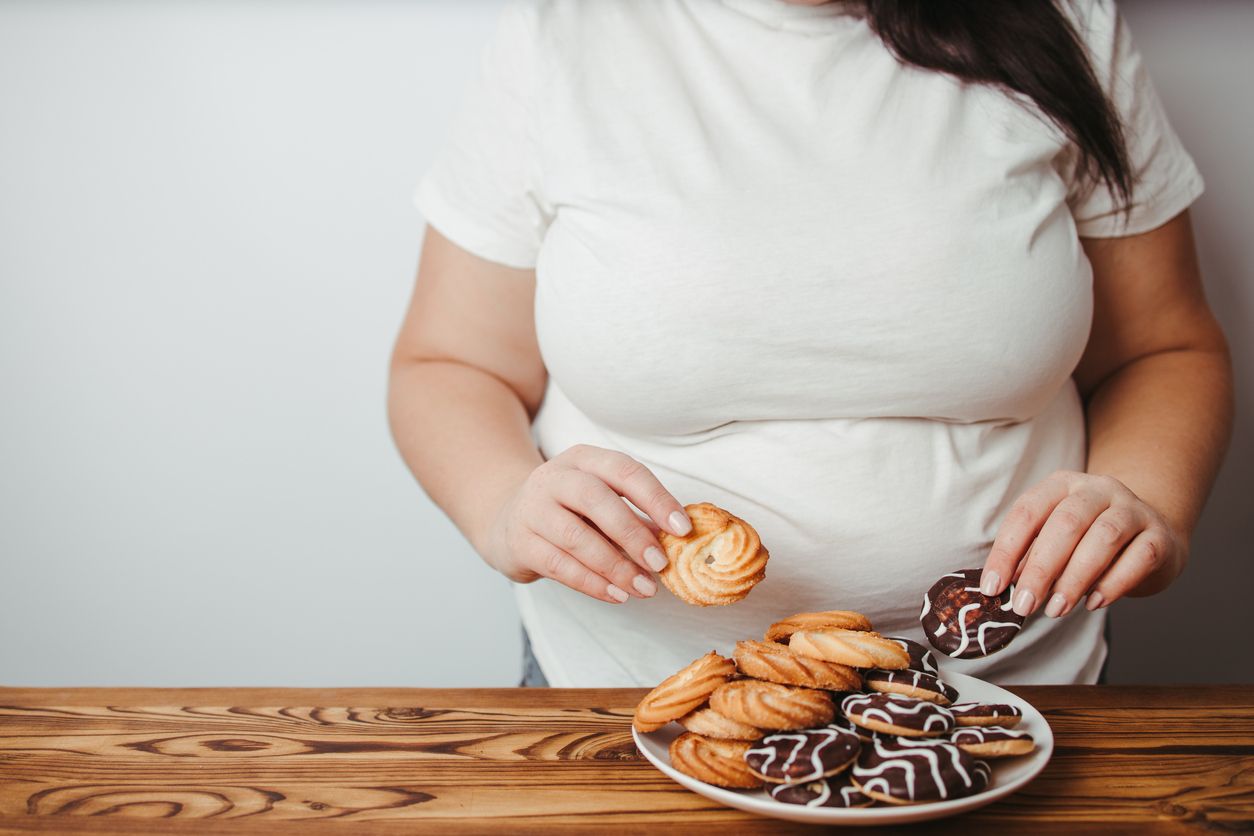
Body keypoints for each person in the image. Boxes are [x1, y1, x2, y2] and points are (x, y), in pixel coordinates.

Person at [388, 0, 1232, 688]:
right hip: (624, 689)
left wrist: (1144, 499)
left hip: (1016, 693)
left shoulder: (1067, 21)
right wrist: (502, 503)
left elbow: (1163, 349)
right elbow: (451, 362)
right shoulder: (561, 38)